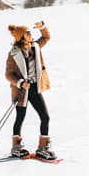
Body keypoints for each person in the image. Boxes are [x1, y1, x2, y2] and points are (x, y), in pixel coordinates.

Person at [5, 20, 57, 160]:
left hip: (35, 88)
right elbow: (8, 74)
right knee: (20, 118)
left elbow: (46, 37)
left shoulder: (35, 46)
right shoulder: (13, 53)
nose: (30, 34)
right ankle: (16, 147)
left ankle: (43, 148)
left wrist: (43, 27)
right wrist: (21, 83)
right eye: (27, 33)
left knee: (45, 117)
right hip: (22, 90)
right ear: (21, 36)